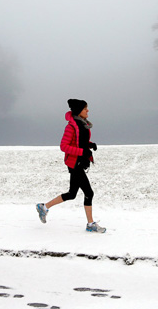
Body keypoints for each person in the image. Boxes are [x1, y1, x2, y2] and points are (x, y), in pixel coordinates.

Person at [36, 99, 106, 233]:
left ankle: (44, 207)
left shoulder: (82, 125)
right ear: (79, 111)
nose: (88, 110)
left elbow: (79, 141)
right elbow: (64, 146)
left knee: (72, 194)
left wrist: (90, 144)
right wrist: (82, 151)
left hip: (80, 162)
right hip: (75, 164)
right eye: (85, 108)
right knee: (89, 193)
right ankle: (90, 224)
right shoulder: (71, 126)